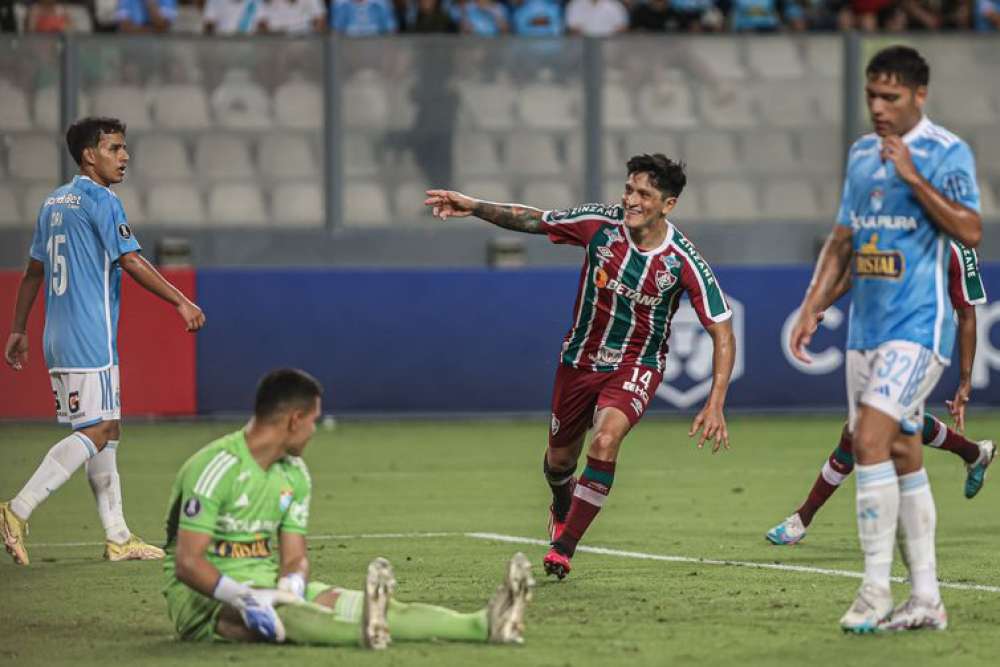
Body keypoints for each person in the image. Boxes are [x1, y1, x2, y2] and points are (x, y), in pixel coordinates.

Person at [425, 154, 736, 580]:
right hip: (578, 363)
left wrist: (715, 401)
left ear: (668, 205)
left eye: (644, 194)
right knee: (558, 463)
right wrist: (474, 206)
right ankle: (560, 500)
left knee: (605, 442)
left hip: (636, 364)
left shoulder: (684, 261)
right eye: (629, 189)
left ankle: (563, 547)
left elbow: (722, 330)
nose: (631, 199)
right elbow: (535, 220)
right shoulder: (598, 225)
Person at [788, 46, 983, 633]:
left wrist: (912, 177)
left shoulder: (947, 152)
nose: (878, 107)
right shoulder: (858, 156)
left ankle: (875, 589)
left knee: (867, 439)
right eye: (872, 95)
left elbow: (971, 228)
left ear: (918, 96)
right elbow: (843, 239)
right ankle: (926, 598)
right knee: (901, 453)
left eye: (890, 97)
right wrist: (813, 304)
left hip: (919, 330)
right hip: (865, 333)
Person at [163, 368, 533, 647]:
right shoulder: (216, 467)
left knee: (362, 604)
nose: (314, 430)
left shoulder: (295, 475)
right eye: (313, 421)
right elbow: (188, 563)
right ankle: (360, 632)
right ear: (294, 420)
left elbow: (294, 557)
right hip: (204, 600)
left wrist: (291, 584)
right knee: (284, 616)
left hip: (267, 584)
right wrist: (244, 597)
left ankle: (484, 623)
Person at [1, 117, 206, 566]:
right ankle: (17, 510)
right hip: (87, 334)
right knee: (97, 429)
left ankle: (118, 537)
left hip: (58, 332)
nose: (125, 156)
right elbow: (130, 261)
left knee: (107, 431)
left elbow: (34, 270)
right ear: (89, 155)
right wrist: (180, 301)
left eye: (124, 148)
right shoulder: (101, 200)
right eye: (115, 148)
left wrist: (18, 329)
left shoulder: (53, 202)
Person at [769, 239, 992, 546]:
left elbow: (966, 315)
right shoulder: (888, 224)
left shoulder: (956, 245)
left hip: (925, 346)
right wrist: (819, 307)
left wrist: (965, 380)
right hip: (882, 340)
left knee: (864, 427)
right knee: (889, 423)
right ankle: (974, 453)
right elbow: (854, 273)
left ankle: (802, 519)